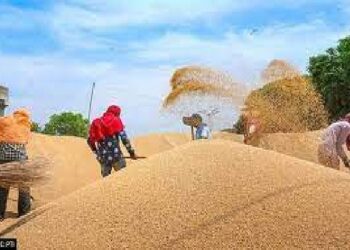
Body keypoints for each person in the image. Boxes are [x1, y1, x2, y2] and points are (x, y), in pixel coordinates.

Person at [0, 109, 32, 220]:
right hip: (20, 160)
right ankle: (24, 213)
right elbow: (26, 141)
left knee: (3, 186)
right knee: (24, 187)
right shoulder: (26, 125)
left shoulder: (5, 120)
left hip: (4, 158)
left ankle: (0, 214)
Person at [87, 105, 137, 177]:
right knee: (124, 179)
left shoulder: (97, 123)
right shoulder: (116, 120)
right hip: (117, 157)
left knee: (106, 183)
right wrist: (131, 153)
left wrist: (96, 152)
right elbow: (124, 139)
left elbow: (90, 140)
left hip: (103, 159)